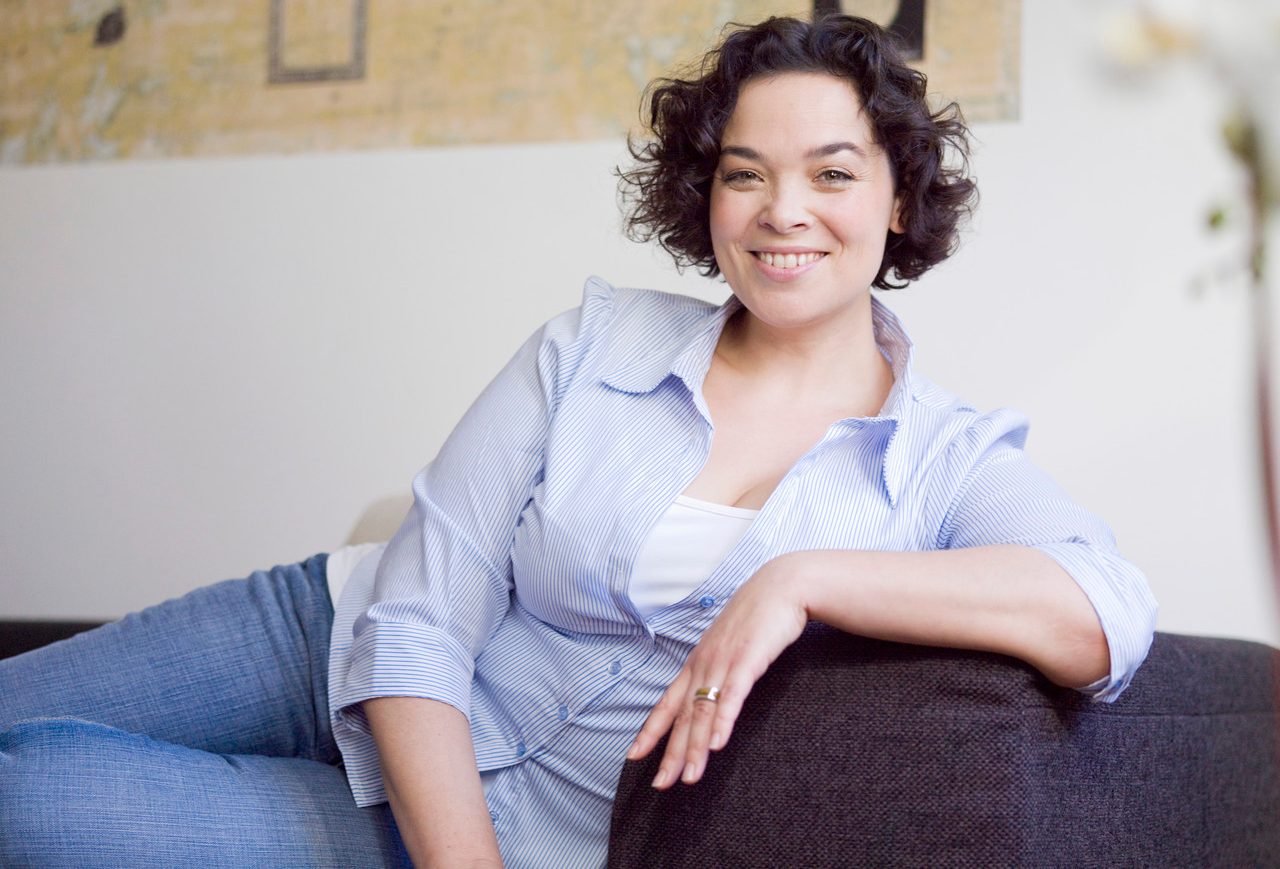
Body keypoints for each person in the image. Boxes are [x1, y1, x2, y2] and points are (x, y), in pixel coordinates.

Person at [0, 14, 1157, 869]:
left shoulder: (939, 462)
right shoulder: (591, 343)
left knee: (31, 802)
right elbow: (415, 616)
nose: (780, 211)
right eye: (742, 174)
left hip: (472, 820)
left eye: (831, 174)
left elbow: (1102, 609)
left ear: (899, 199)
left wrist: (798, 579)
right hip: (324, 635)